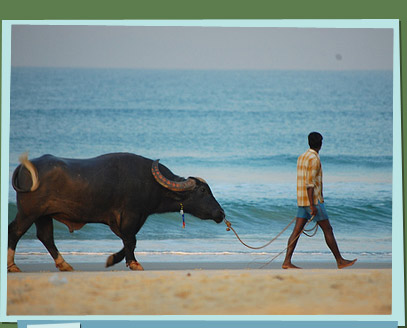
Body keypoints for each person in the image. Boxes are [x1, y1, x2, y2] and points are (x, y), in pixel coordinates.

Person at [282, 132, 357, 269]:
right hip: (313, 201)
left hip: (301, 200)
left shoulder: (302, 157)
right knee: (328, 229)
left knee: (296, 232)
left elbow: (303, 181)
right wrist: (313, 206)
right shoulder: (314, 159)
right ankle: (340, 261)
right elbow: (310, 184)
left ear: (309, 142)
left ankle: (287, 261)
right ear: (320, 144)